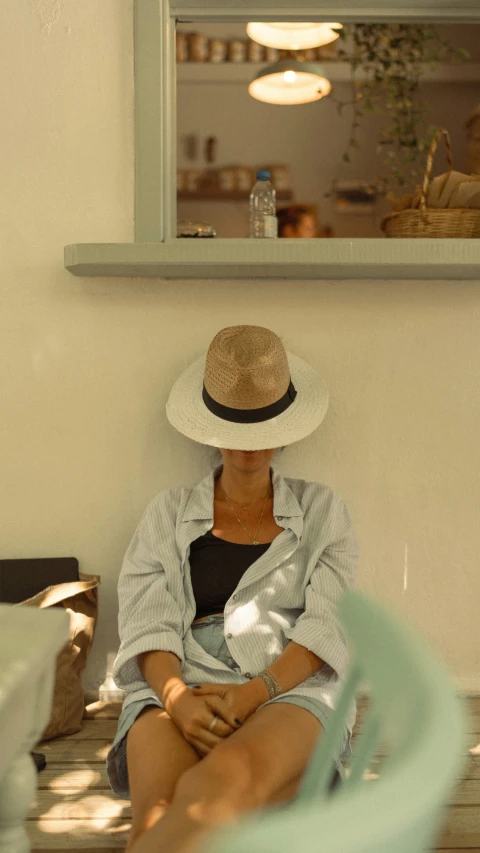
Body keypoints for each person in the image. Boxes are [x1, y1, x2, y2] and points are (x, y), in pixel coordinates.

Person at [106, 325, 359, 853]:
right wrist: (175, 699)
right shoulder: (169, 512)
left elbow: (327, 623)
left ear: (287, 426)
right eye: (236, 425)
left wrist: (255, 692)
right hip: (176, 681)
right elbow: (147, 620)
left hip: (287, 683)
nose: (251, 443)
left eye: (265, 424)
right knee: (156, 820)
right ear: (210, 427)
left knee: (218, 787)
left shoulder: (322, 510)